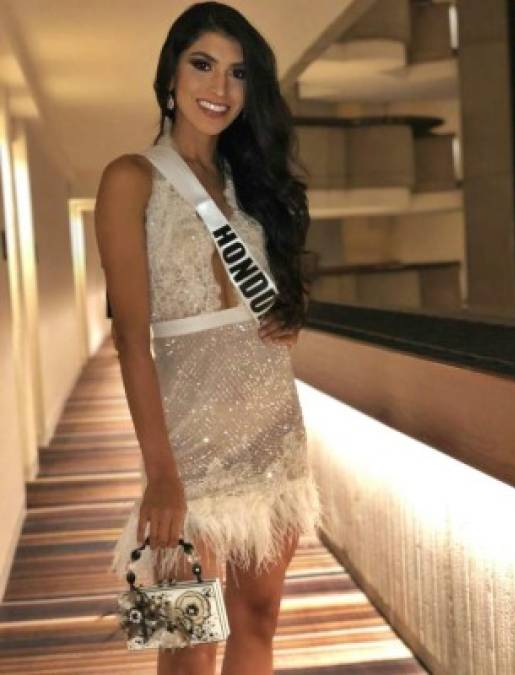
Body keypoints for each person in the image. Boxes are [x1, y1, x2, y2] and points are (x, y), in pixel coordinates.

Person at [94, 3, 322, 673]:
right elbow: (132, 339)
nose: (218, 88)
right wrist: (160, 474)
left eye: (237, 72)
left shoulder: (249, 184)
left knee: (259, 620)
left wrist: (283, 317)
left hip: (273, 434)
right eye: (203, 65)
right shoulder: (129, 178)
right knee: (185, 641)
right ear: (171, 74)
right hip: (185, 451)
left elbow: (261, 309)